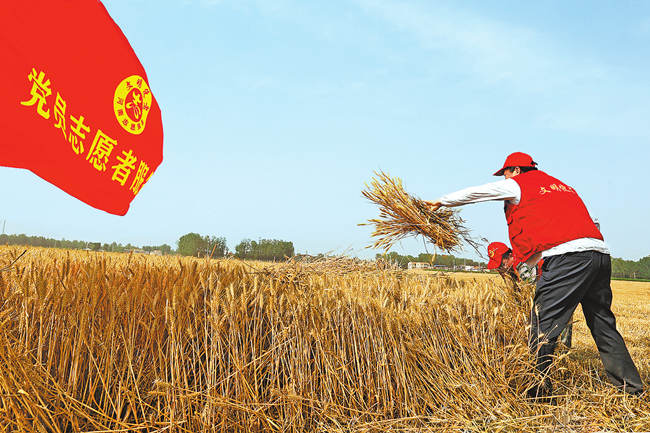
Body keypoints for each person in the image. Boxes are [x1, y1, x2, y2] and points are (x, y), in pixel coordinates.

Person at [427, 152, 643, 397]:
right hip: (599, 254)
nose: (504, 179)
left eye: (505, 173)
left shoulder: (519, 184)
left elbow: (480, 192)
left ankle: (536, 393)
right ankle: (632, 389)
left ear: (516, 170)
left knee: (542, 323)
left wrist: (442, 201)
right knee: (603, 323)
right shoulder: (562, 187)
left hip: (568, 257)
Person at [487, 241, 572, 349]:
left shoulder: (523, 265)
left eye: (501, 264)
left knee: (561, 319)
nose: (499, 269)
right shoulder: (509, 270)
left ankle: (563, 351)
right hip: (546, 286)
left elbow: (530, 294)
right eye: (497, 266)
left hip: (559, 283)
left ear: (510, 256)